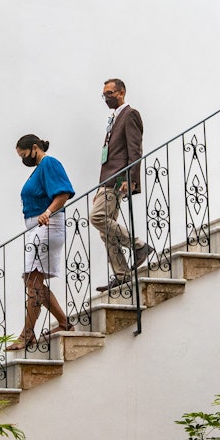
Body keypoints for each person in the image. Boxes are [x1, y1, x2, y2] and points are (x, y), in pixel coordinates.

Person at [7, 134, 76, 350]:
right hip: (38, 230)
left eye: (24, 154)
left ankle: (26, 334)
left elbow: (63, 192)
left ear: (35, 148)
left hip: (48, 226)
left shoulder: (49, 163)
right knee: (32, 280)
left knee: (32, 282)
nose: (23, 160)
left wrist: (47, 211)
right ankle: (64, 323)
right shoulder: (39, 168)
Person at [93, 78, 153, 292]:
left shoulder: (130, 114)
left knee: (97, 218)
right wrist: (100, 186)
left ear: (121, 92)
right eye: (104, 94)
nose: (106, 98)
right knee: (105, 230)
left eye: (109, 93)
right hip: (108, 179)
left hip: (118, 178)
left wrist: (131, 179)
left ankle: (139, 246)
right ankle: (122, 274)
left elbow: (135, 150)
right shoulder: (114, 118)